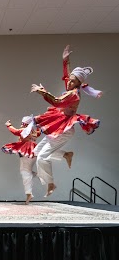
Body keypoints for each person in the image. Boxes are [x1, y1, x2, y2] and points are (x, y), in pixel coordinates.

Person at [31, 45, 102, 197]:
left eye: (72, 82)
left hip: (64, 129)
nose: (69, 83)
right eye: (69, 81)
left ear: (78, 84)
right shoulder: (70, 87)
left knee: (42, 158)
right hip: (59, 125)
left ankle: (50, 184)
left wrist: (41, 91)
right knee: (37, 151)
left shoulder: (74, 95)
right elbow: (66, 75)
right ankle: (65, 155)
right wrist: (65, 59)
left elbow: (56, 101)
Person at [2, 115, 41, 204]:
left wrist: (9, 125)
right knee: (26, 171)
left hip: (27, 151)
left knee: (25, 172)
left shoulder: (25, 130)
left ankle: (29, 193)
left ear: (24, 124)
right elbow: (39, 133)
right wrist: (38, 127)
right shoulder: (33, 131)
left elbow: (15, 131)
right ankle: (40, 176)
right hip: (32, 152)